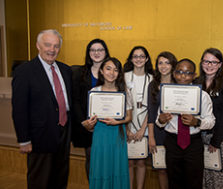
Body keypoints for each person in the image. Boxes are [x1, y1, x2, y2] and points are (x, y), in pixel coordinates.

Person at [11, 29, 72, 189]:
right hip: (39, 137)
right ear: (38, 45)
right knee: (40, 181)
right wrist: (24, 139)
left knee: (60, 178)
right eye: (47, 45)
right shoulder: (25, 71)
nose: (52, 50)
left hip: (63, 134)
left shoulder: (66, 70)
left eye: (56, 46)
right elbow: (19, 108)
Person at [156, 59, 215, 189]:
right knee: (173, 180)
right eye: (179, 72)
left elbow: (211, 122)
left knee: (194, 181)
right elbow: (158, 122)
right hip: (172, 142)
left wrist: (197, 122)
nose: (183, 76)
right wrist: (161, 120)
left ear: (194, 75)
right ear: (174, 74)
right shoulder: (166, 93)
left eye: (188, 73)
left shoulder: (202, 95)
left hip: (193, 143)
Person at [82, 57, 133, 189]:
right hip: (100, 134)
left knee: (117, 168)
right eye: (108, 69)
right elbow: (91, 118)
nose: (112, 73)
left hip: (117, 135)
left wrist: (117, 122)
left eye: (116, 70)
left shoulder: (124, 92)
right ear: (102, 72)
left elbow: (129, 117)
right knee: (101, 166)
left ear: (119, 73)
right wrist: (89, 124)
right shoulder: (94, 92)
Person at [195, 48, 223, 188]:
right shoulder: (195, 83)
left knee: (221, 178)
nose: (209, 65)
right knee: (205, 176)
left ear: (219, 65)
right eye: (206, 61)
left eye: (214, 62)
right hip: (200, 136)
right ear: (201, 63)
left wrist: (216, 141)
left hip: (221, 138)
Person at [71, 38, 110, 179]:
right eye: (93, 50)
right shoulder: (79, 73)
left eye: (100, 50)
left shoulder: (112, 71)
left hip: (108, 123)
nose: (96, 53)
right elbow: (74, 100)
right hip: (89, 125)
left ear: (105, 52)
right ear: (88, 53)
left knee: (108, 159)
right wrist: (84, 121)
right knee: (91, 157)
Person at [124, 46, 154, 189]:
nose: (138, 59)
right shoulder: (124, 77)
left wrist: (143, 129)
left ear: (147, 59)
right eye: (135, 56)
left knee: (142, 161)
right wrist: (127, 129)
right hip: (127, 124)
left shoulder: (152, 79)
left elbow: (153, 107)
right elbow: (120, 105)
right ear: (131, 59)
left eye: (142, 56)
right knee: (129, 161)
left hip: (145, 124)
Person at [147, 52, 177, 189]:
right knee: (162, 169)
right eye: (160, 63)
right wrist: (151, 137)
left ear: (173, 65)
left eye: (167, 62)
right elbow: (151, 113)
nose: (163, 66)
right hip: (159, 132)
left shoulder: (180, 83)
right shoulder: (153, 85)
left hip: (177, 132)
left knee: (176, 169)